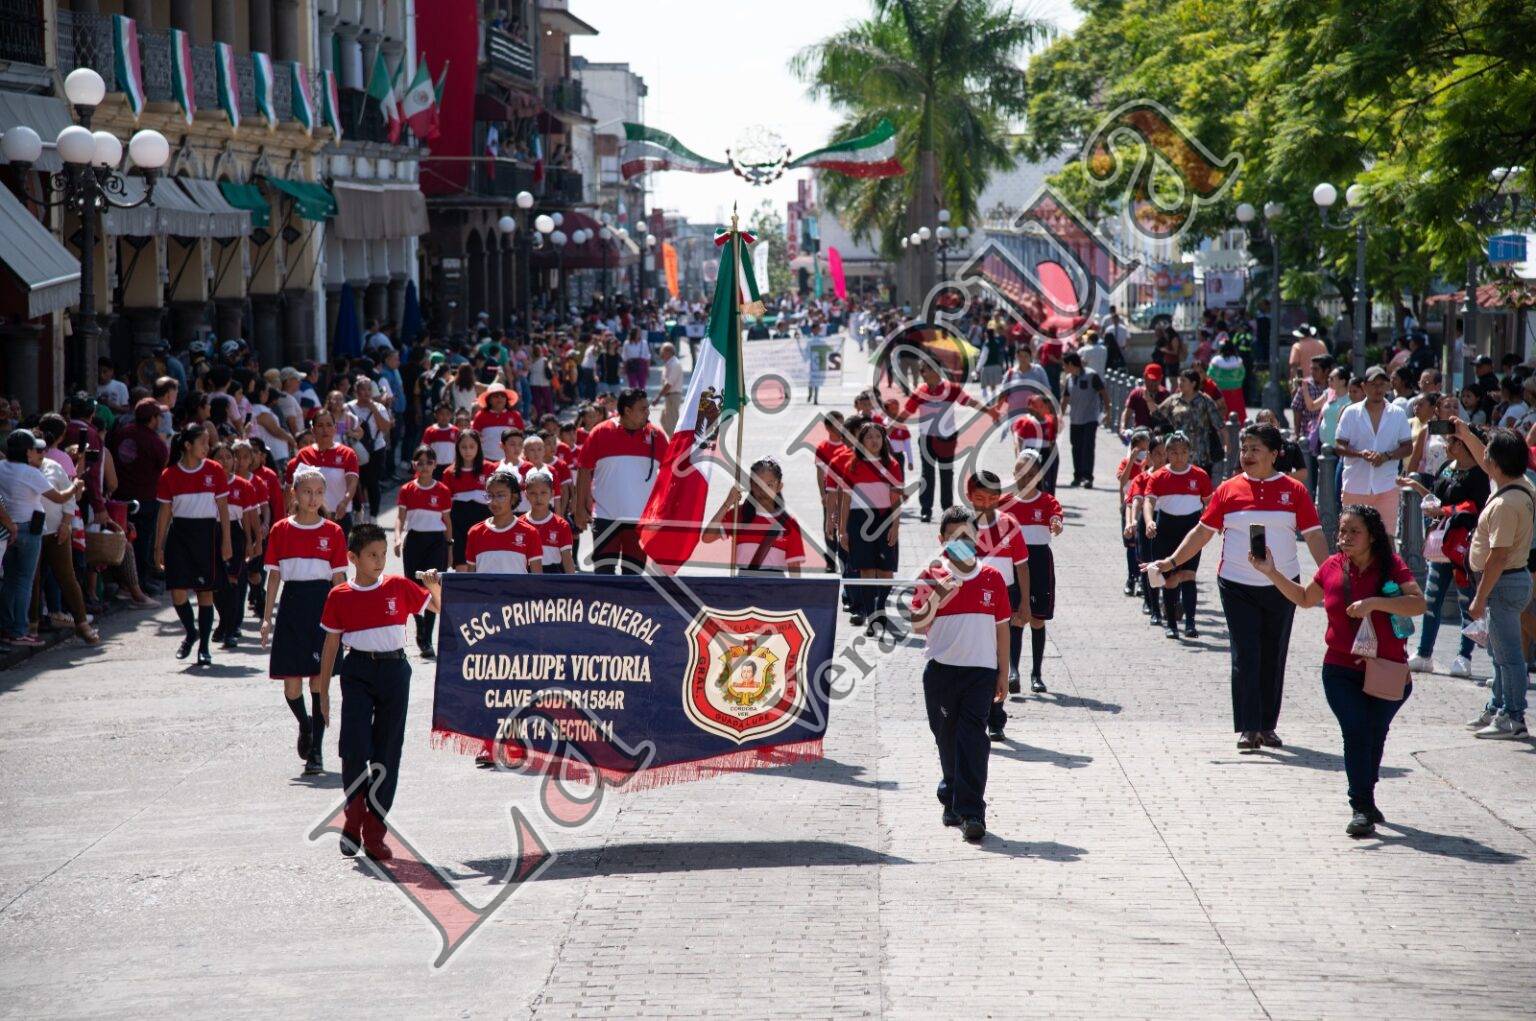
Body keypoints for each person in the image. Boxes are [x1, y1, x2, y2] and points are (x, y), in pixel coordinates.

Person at [1148, 423, 1329, 751]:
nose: (1247, 455)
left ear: (1274, 454)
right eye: (1244, 449)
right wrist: (1171, 561)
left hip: (1282, 585)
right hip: (1236, 584)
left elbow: (1314, 535)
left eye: (1255, 449)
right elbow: (1202, 532)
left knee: (1273, 653)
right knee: (1246, 653)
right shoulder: (1228, 489)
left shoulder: (1294, 491)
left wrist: (1330, 574)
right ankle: (1248, 727)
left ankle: (1267, 726)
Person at [1252, 505, 1425, 836]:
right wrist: (1271, 573)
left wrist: (1375, 603)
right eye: (1342, 531)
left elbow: (1418, 603)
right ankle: (1360, 806)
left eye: (1354, 531)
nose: (1345, 537)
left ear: (1372, 536)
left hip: (1387, 669)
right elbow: (1305, 598)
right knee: (1356, 731)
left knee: (1375, 734)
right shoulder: (1332, 565)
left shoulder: (1391, 566)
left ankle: (1366, 797)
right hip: (1340, 668)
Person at [317, 525, 442, 861]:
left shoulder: (398, 586)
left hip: (395, 671)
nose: (379, 561)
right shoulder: (339, 595)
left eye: (383, 554)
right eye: (372, 555)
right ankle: (353, 815)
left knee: (388, 752)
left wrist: (433, 586)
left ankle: (374, 831)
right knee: (354, 747)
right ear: (353, 558)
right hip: (357, 670)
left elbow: (439, 608)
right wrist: (323, 692)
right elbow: (331, 644)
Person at [910, 507, 1011, 843]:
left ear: (977, 537)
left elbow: (1002, 628)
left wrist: (1003, 671)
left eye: (967, 536)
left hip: (981, 674)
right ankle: (951, 794)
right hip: (941, 673)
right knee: (947, 738)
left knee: (972, 739)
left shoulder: (992, 577)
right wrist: (937, 597)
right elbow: (917, 624)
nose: (961, 543)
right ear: (941, 540)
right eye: (953, 538)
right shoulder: (930, 574)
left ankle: (972, 812)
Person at [262, 466, 349, 774]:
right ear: (294, 494)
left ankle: (316, 752)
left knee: (318, 682)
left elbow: (339, 579)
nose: (313, 498)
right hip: (292, 606)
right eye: (307, 492)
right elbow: (274, 576)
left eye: (319, 492)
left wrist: (346, 620)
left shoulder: (333, 532)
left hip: (322, 608)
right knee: (291, 686)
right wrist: (266, 619)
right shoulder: (280, 530)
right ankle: (305, 724)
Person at [1456, 423, 1534, 739]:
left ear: (1497, 463)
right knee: (1499, 654)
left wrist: (1479, 598)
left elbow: (1498, 556)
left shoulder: (1505, 504)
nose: (1483, 457)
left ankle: (1512, 718)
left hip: (1503, 583)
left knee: (1508, 656)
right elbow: (1486, 459)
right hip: (1509, 582)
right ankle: (1498, 706)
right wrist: (1465, 434)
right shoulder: (1520, 484)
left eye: (1489, 454)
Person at [1399, 426, 1488, 677]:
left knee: (1466, 601)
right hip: (1441, 545)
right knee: (1431, 599)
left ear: (1462, 444)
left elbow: (1475, 507)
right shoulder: (1447, 467)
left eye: (1451, 441)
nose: (1446, 445)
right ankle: (1424, 653)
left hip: (1464, 547)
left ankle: (1464, 656)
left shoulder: (1479, 474)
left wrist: (1445, 511)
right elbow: (1437, 500)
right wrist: (1417, 488)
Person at [154, 425, 233, 667]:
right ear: (187, 445)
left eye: (208, 443)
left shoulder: (214, 470)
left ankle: (204, 648)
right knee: (177, 591)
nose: (207, 448)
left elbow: (223, 509)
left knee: (205, 592)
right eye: (202, 443)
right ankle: (191, 631)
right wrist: (158, 546)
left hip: (207, 535)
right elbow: (164, 513)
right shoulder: (169, 475)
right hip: (180, 536)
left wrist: (226, 541)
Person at [967, 470, 1031, 740]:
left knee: (999, 658)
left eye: (992, 498)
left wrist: (1025, 603)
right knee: (976, 659)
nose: (986, 503)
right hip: (972, 600)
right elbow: (950, 567)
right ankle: (974, 715)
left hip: (1006, 596)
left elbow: (1022, 566)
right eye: (979, 498)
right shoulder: (962, 527)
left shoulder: (1009, 524)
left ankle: (996, 719)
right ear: (970, 496)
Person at [573, 388, 664, 574]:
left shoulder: (657, 436)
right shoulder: (600, 432)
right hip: (605, 516)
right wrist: (579, 508)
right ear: (627, 411)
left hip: (640, 520)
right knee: (604, 572)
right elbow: (584, 469)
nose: (648, 412)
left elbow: (670, 473)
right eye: (643, 409)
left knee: (633, 574)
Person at [894, 360, 997, 521]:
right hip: (926, 438)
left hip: (947, 438)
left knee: (946, 473)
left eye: (925, 370)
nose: (922, 374)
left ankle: (947, 509)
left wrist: (989, 411)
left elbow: (970, 402)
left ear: (936, 370)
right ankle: (926, 510)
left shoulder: (951, 389)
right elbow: (907, 412)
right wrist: (891, 427)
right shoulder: (921, 391)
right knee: (927, 474)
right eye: (921, 371)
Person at [1000, 450, 1062, 692]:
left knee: (1037, 619)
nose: (1026, 478)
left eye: (1031, 473)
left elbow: (1056, 518)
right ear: (1014, 473)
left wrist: (1056, 523)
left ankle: (1036, 674)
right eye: (1021, 472)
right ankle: (1013, 671)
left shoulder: (1047, 501)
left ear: (1039, 475)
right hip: (1013, 564)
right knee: (1015, 617)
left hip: (1039, 562)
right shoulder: (1004, 502)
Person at [1143, 432, 1214, 639]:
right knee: (1170, 578)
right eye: (1174, 452)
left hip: (1191, 530)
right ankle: (1172, 624)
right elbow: (1149, 501)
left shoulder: (1199, 475)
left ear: (1189, 453)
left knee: (1189, 575)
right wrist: (1149, 521)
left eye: (1183, 452)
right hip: (1166, 529)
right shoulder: (1159, 476)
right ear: (1167, 453)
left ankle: (1190, 623)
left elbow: (1210, 502)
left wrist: (1214, 524)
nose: (1179, 456)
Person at [835, 421, 903, 631]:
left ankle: (880, 608)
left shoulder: (892, 465)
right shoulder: (852, 465)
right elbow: (846, 501)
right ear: (861, 441)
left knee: (886, 571)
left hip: (884, 520)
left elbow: (896, 499)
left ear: (884, 440)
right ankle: (871, 615)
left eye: (878, 436)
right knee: (866, 569)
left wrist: (895, 526)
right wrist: (843, 530)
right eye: (869, 437)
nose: (874, 441)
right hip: (859, 520)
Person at [1335, 366, 1414, 536]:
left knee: (1386, 538)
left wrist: (1387, 456)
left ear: (1387, 386)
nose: (1378, 389)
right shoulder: (1350, 412)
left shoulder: (1398, 414)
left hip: (1386, 486)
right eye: (1373, 384)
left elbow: (1408, 447)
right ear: (1364, 386)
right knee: (1351, 538)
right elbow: (1339, 446)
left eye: (1381, 384)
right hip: (1355, 485)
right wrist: (1360, 454)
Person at [393, 447, 453, 658]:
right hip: (414, 542)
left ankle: (427, 637)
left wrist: (449, 547)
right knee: (414, 588)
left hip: (436, 542)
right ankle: (420, 629)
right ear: (414, 465)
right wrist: (397, 537)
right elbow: (400, 517)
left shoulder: (442, 490)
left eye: (429, 462)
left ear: (435, 465)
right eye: (420, 462)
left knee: (432, 586)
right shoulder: (407, 489)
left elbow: (447, 522)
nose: (424, 466)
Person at [703, 457, 807, 576]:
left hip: (775, 583)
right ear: (751, 485)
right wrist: (727, 503)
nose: (763, 491)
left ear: (779, 486)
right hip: (743, 582)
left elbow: (794, 567)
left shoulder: (790, 523)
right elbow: (707, 538)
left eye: (769, 485)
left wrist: (794, 588)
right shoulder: (738, 514)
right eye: (758, 484)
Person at [212, 441, 263, 651]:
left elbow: (251, 516)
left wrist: (255, 541)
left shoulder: (243, 485)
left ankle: (231, 630)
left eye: (228, 457)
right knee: (215, 583)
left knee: (234, 581)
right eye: (219, 457)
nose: (224, 461)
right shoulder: (207, 483)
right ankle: (224, 622)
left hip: (235, 534)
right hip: (210, 532)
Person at [284, 409, 360, 529]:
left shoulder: (347, 453)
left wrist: (345, 502)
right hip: (310, 516)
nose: (325, 430)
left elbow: (352, 483)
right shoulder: (304, 454)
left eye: (329, 425)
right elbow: (294, 487)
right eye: (320, 425)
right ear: (313, 430)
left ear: (335, 428)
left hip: (339, 514)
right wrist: (289, 510)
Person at [462, 469, 544, 576]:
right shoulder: (475, 532)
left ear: (513, 498)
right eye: (490, 495)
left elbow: (537, 578)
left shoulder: (530, 532)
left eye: (500, 496)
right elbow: (470, 577)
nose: (494, 502)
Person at [1157, 370, 1227, 475]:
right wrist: (1148, 400)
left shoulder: (1204, 400)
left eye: (1183, 381)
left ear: (1193, 383)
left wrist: (1226, 445)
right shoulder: (1174, 400)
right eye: (1179, 380)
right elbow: (1157, 414)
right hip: (1179, 453)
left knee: (1201, 481)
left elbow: (1220, 424)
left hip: (1201, 454)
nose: (1180, 383)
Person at [443, 430, 494, 570]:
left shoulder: (490, 468)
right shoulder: (449, 472)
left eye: (472, 446)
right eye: (464, 447)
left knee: (481, 565)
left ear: (478, 447)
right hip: (458, 522)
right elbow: (445, 506)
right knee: (461, 565)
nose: (468, 451)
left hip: (483, 519)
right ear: (457, 448)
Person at [346, 378, 392, 523]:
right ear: (356, 391)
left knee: (373, 482)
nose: (366, 393)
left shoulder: (379, 407)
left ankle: (373, 515)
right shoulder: (348, 407)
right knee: (354, 481)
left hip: (375, 449)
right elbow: (342, 428)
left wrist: (373, 408)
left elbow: (385, 428)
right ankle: (358, 510)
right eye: (363, 389)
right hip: (354, 450)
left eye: (369, 389)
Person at [1060, 351, 1107, 487]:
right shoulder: (1069, 378)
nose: (1063, 368)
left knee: (1087, 447)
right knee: (1076, 447)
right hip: (1075, 419)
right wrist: (1059, 417)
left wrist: (1108, 412)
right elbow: (1065, 399)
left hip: (1090, 418)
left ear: (1070, 364)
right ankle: (1078, 476)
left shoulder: (1091, 375)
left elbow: (1103, 393)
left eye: (1064, 365)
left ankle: (1087, 477)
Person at [520, 468, 575, 574]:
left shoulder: (561, 525)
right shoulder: (520, 523)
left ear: (552, 494)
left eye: (543, 493)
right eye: (533, 493)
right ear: (526, 495)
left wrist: (573, 583)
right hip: (527, 578)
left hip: (554, 578)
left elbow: (567, 560)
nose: (538, 498)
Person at [1120, 364, 1168, 433]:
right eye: (1150, 380)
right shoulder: (1136, 393)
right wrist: (1123, 427)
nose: (1153, 383)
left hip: (1159, 434)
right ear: (1145, 377)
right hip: (1140, 433)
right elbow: (1127, 412)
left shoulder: (1165, 394)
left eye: (1156, 380)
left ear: (1161, 378)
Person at [657, 343, 684, 435]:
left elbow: (669, 384)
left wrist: (658, 397)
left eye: (662, 351)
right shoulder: (669, 363)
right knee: (664, 420)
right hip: (669, 396)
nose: (661, 353)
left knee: (672, 423)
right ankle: (672, 439)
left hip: (673, 396)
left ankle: (675, 441)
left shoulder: (675, 364)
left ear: (668, 352)